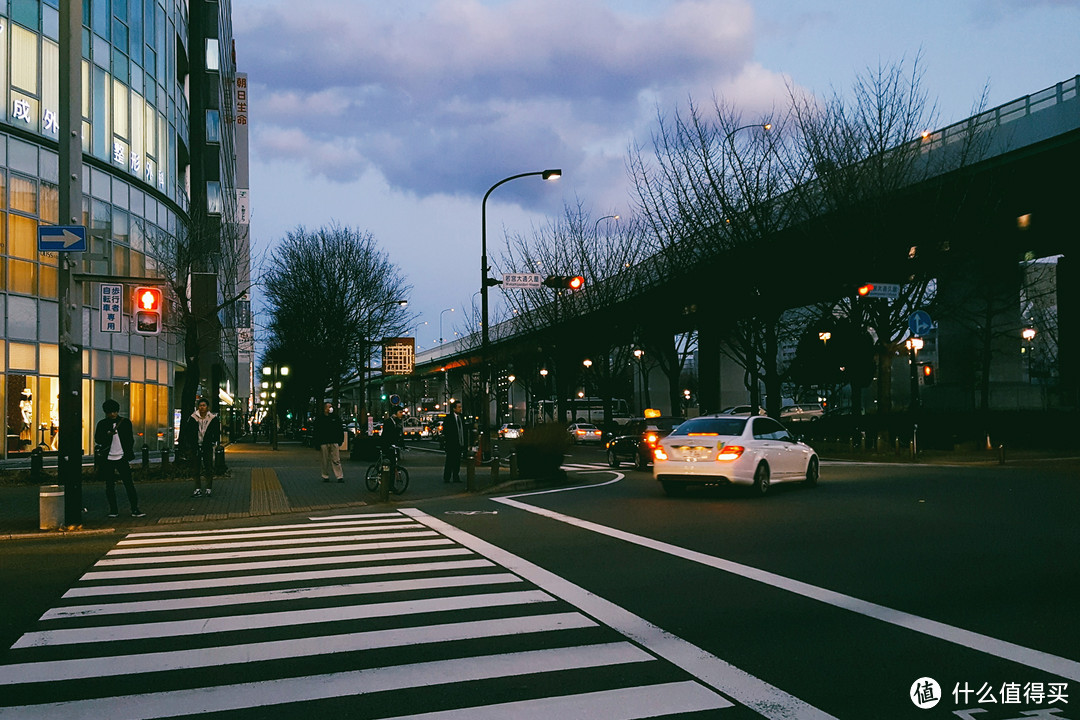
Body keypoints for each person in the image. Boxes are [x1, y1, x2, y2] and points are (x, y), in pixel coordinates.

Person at [94, 399, 145, 518]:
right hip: (108, 457)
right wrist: (107, 435)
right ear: (106, 413)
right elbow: (98, 439)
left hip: (121, 456)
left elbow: (129, 439)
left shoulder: (125, 422)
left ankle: (134, 508)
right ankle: (113, 510)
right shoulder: (102, 424)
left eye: (114, 412)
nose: (113, 414)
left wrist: (128, 451)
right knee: (110, 485)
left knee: (128, 483)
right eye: (110, 412)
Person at [179, 398, 220, 497]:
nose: (202, 407)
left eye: (204, 405)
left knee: (208, 467)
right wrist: (190, 443)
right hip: (195, 446)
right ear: (198, 407)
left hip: (207, 446)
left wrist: (213, 440)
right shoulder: (193, 418)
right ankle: (197, 488)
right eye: (200, 405)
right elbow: (188, 431)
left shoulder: (212, 418)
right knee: (195, 467)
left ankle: (208, 488)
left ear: (207, 407)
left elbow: (216, 431)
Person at [314, 401, 345, 482]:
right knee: (324, 460)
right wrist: (317, 443)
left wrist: (340, 440)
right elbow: (317, 431)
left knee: (336, 459)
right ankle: (325, 475)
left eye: (331, 406)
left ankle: (339, 476)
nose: (331, 408)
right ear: (325, 409)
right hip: (324, 441)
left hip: (334, 441)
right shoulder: (321, 418)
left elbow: (340, 429)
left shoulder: (335, 417)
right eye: (329, 407)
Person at [443, 401, 466, 483]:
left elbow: (464, 431)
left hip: (460, 443)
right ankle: (447, 477)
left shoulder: (461, 417)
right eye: (459, 407)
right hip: (451, 444)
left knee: (457, 461)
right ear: (454, 408)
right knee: (449, 461)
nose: (460, 409)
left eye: (460, 407)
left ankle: (456, 476)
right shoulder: (448, 418)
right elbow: (445, 432)